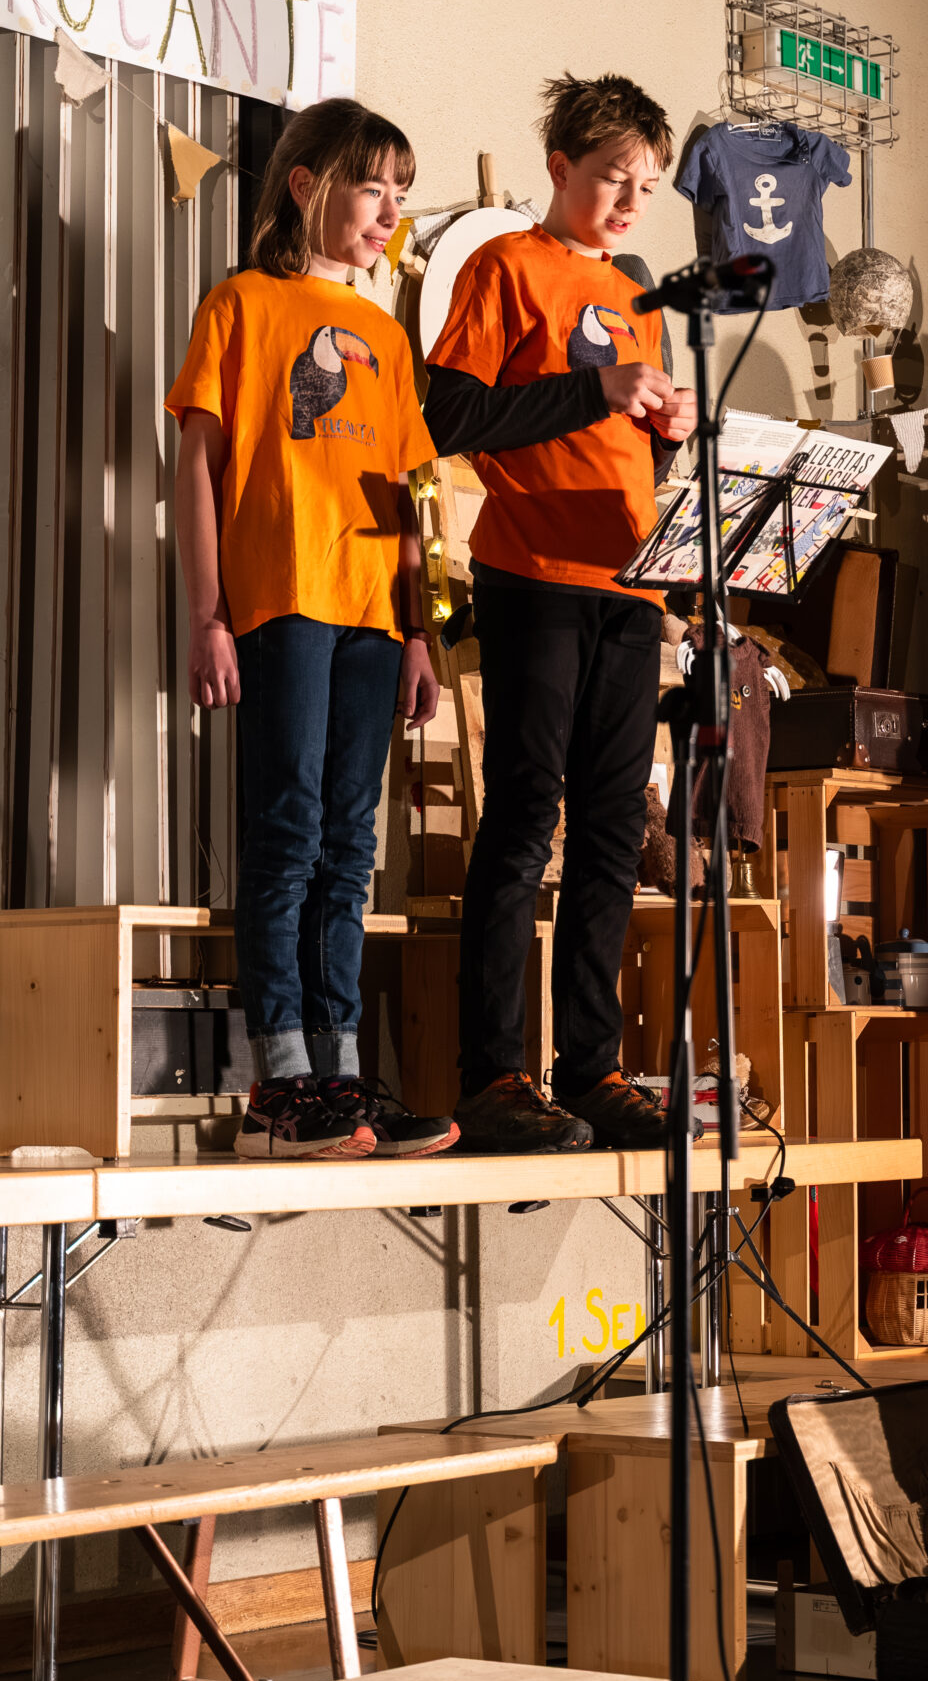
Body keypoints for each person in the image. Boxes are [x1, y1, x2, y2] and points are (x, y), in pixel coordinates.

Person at [168, 99, 456, 1161]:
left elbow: (414, 499)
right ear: (307, 185)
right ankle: (280, 1083)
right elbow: (195, 471)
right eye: (372, 186)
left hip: (375, 616)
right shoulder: (242, 303)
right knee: (287, 832)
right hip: (282, 603)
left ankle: (341, 1072)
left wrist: (421, 632)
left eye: (400, 193)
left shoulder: (388, 335)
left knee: (351, 844)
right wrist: (208, 614)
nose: (389, 211)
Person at [423, 72, 696, 1153]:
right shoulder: (505, 265)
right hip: (533, 574)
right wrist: (599, 388)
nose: (629, 202)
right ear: (559, 167)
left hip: (629, 587)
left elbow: (625, 452)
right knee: (525, 812)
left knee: (615, 829)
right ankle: (493, 1072)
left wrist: (663, 431)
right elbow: (453, 414)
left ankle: (591, 1067)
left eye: (646, 187)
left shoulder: (635, 295)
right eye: (612, 178)